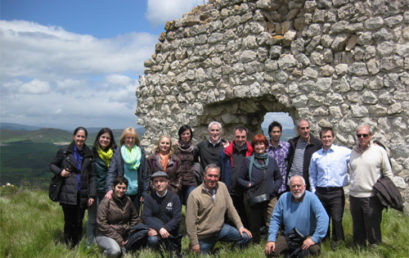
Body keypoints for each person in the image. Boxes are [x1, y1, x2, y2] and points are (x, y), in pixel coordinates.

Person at [186, 164, 252, 254]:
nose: (213, 179)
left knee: (246, 237)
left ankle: (228, 252)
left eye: (216, 176)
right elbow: (190, 222)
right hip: (204, 236)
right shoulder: (194, 195)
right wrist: (194, 243)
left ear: (219, 177)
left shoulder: (222, 187)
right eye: (210, 175)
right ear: (204, 176)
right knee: (199, 254)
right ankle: (211, 251)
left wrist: (240, 226)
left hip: (221, 229)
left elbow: (231, 209)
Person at [49, 126, 96, 247]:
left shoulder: (88, 154)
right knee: (69, 221)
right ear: (74, 137)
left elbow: (92, 176)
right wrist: (61, 172)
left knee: (79, 221)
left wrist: (91, 194)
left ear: (86, 138)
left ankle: (76, 244)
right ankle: (68, 245)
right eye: (78, 136)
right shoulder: (64, 151)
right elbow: (52, 165)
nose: (80, 138)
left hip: (83, 193)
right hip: (67, 192)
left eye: (83, 136)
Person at [349, 124, 393, 247]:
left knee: (372, 226)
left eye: (365, 135)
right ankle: (359, 249)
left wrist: (382, 191)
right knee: (358, 227)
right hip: (354, 196)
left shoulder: (379, 151)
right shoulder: (353, 152)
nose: (362, 137)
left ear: (371, 136)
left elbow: (388, 173)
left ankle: (375, 249)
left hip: (371, 196)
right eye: (359, 135)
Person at [265, 175, 328, 257]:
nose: (296, 188)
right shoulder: (283, 198)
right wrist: (271, 239)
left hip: (308, 236)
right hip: (288, 236)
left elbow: (323, 218)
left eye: (299, 185)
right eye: (293, 186)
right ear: (290, 187)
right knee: (271, 251)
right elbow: (275, 219)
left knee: (313, 251)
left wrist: (314, 238)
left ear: (304, 186)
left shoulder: (312, 198)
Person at [309, 127, 351, 249]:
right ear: (320, 138)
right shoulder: (316, 155)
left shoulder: (343, 152)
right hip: (321, 192)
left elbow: (356, 156)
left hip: (336, 191)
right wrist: (313, 191)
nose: (327, 139)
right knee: (324, 218)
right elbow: (312, 174)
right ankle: (325, 241)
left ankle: (338, 243)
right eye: (324, 137)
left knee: (337, 219)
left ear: (333, 137)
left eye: (329, 136)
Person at [237, 134, 282, 243]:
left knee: (272, 222)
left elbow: (279, 178)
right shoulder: (247, 161)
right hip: (253, 197)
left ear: (266, 145)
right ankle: (256, 244)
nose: (259, 146)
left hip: (270, 197)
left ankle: (275, 243)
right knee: (254, 224)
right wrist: (248, 185)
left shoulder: (271, 161)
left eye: (261, 143)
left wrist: (273, 189)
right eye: (256, 144)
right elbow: (239, 178)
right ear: (254, 146)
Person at [96, 176, 148, 257]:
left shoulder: (128, 200)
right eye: (119, 187)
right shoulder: (106, 201)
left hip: (124, 234)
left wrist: (131, 232)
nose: (121, 190)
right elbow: (101, 223)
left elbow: (135, 218)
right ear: (113, 187)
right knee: (115, 251)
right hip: (105, 235)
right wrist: (118, 239)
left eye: (124, 188)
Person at [86, 128, 117, 247]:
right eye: (103, 137)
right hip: (94, 190)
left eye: (107, 138)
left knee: (106, 219)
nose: (105, 140)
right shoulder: (91, 153)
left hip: (109, 191)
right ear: (98, 138)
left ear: (111, 140)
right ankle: (90, 243)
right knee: (92, 219)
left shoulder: (115, 153)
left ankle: (104, 242)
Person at [106, 127, 149, 211]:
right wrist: (109, 189)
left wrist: (145, 192)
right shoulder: (118, 152)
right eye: (128, 138)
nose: (130, 140)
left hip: (137, 192)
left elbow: (145, 174)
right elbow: (112, 172)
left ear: (135, 139)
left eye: (132, 138)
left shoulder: (141, 152)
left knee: (135, 218)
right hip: (121, 191)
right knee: (120, 217)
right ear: (124, 139)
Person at [142, 171, 182, 255]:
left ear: (167, 182)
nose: (158, 184)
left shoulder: (175, 198)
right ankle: (154, 254)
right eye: (155, 181)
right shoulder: (149, 197)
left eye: (161, 181)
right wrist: (159, 228)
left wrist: (165, 228)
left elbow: (177, 218)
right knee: (152, 240)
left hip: (170, 232)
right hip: (155, 231)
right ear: (152, 184)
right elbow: (146, 217)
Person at [220, 126, 253, 227]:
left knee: (245, 215)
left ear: (246, 137)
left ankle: (246, 236)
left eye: (243, 137)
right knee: (229, 214)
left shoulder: (251, 152)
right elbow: (221, 169)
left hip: (245, 189)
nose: (240, 139)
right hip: (230, 188)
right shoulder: (225, 152)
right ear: (234, 137)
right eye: (237, 137)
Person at [287, 119, 322, 190]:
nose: (306, 131)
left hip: (308, 184)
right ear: (298, 130)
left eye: (307, 128)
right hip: (293, 183)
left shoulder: (317, 144)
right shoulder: (292, 143)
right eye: (303, 128)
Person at [174, 125, 200, 204]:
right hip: (178, 180)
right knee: (177, 204)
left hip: (191, 181)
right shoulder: (175, 148)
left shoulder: (195, 149)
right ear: (180, 135)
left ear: (191, 135)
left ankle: (190, 217)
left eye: (188, 133)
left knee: (191, 203)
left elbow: (196, 162)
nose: (186, 136)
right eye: (183, 134)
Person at [266, 121, 290, 195]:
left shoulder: (286, 146)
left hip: (284, 186)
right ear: (270, 133)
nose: (276, 134)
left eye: (278, 132)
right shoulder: (265, 149)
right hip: (269, 186)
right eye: (274, 132)